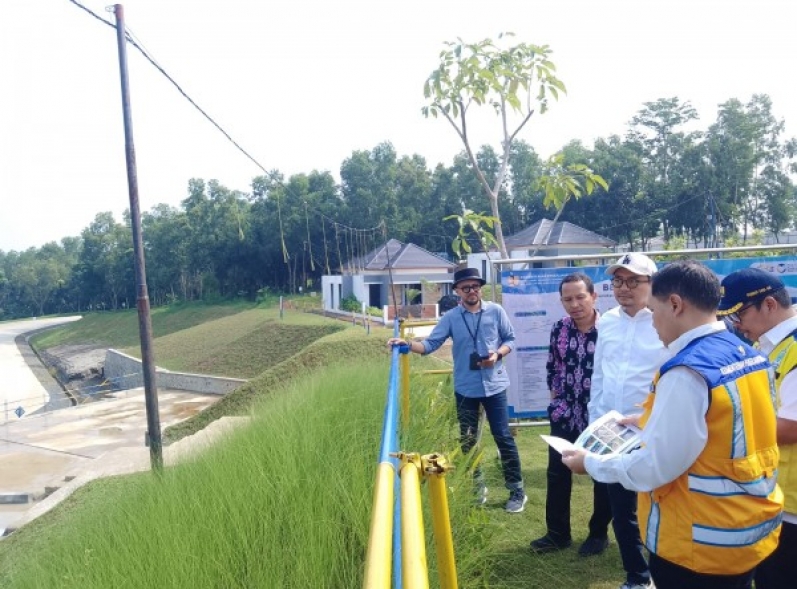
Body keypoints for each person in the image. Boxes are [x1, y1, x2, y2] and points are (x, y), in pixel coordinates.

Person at [563, 260, 783, 589]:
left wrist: (591, 463)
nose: (651, 322)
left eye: (653, 311)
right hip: (746, 525)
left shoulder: (686, 372)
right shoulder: (747, 352)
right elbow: (728, 425)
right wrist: (654, 419)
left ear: (676, 305)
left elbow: (653, 468)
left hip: (699, 540)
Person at [387, 267, 527, 513]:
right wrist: (406, 344)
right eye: (465, 288)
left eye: (475, 286)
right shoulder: (451, 317)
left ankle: (516, 490)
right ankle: (477, 487)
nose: (471, 291)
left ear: (479, 288)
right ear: (457, 291)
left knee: (503, 437)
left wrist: (497, 354)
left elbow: (510, 339)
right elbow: (431, 344)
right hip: (466, 387)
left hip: (495, 385)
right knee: (468, 440)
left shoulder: (496, 311)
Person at [587, 253, 663, 589]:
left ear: (652, 284)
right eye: (618, 281)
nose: (624, 288)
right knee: (622, 509)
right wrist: (594, 419)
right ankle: (637, 575)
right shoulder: (608, 322)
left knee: (658, 505)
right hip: (614, 430)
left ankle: (664, 571)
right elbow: (599, 372)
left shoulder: (664, 320)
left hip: (653, 428)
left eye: (634, 281)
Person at [717, 268, 797, 589]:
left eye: (740, 314)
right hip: (774, 496)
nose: (737, 325)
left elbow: (791, 427)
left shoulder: (792, 349)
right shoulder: (771, 344)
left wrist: (723, 430)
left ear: (768, 304)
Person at [530, 272, 613, 556]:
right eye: (568, 299)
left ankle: (598, 534)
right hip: (565, 413)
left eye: (580, 297)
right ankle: (557, 534)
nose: (574, 304)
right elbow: (553, 366)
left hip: (599, 416)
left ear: (593, 296)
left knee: (601, 475)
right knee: (557, 474)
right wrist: (556, 402)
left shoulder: (611, 329)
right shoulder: (559, 328)